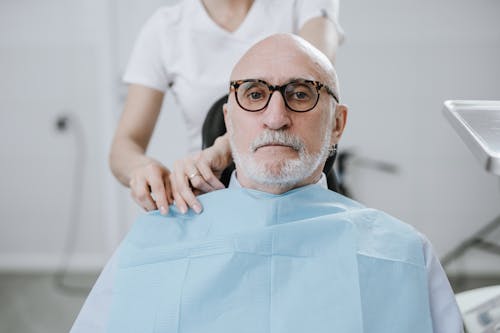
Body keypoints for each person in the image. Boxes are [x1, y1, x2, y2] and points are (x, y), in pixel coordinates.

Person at [71, 34, 463, 332]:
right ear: (228, 121)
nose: (276, 117)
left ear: (337, 124)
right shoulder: (154, 239)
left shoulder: (404, 252)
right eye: (255, 94)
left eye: (300, 94)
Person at [109, 0, 344, 215]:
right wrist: (144, 169)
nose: (274, 118)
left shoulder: (301, 4)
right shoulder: (166, 28)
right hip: (208, 187)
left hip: (297, 181)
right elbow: (125, 145)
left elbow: (317, 76)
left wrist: (225, 147)